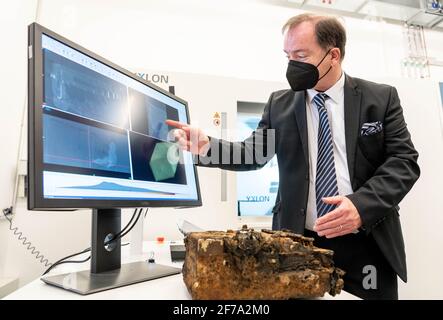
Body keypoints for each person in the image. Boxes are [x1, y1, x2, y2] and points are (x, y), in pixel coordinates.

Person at [166, 13, 420, 300]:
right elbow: (253, 153)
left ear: (333, 55)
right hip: (298, 246)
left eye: (301, 55)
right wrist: (206, 147)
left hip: (366, 240)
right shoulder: (280, 104)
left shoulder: (380, 98)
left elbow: (403, 162)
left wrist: (361, 205)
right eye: (288, 56)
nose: (292, 65)